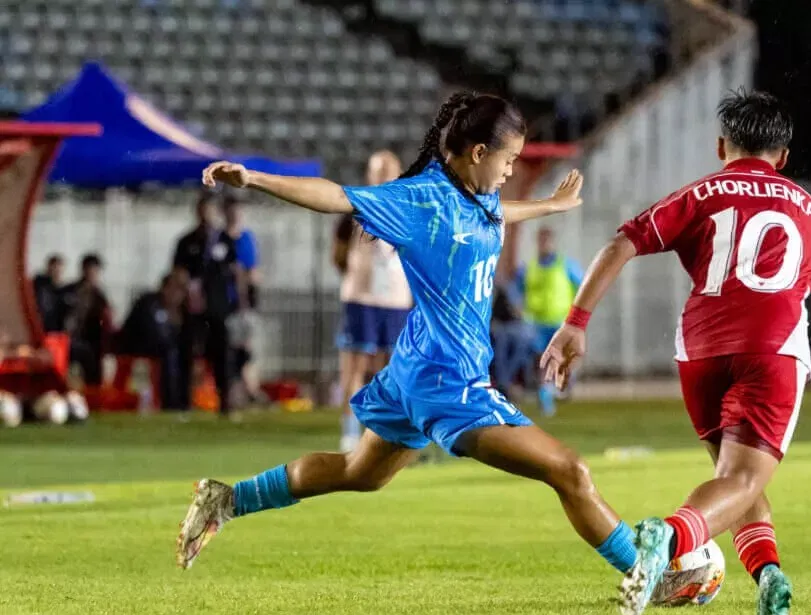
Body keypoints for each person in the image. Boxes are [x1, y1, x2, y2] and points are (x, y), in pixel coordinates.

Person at [177, 92, 640, 583]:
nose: (511, 170)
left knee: (360, 472)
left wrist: (549, 205)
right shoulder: (421, 200)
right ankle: (648, 571)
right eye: (509, 160)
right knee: (570, 471)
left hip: (413, 371)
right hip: (448, 382)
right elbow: (336, 197)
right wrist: (254, 179)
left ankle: (226, 500)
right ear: (478, 153)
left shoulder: (477, 194)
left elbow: (493, 214)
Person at [541, 90, 811, 615]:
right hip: (772, 350)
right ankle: (669, 537)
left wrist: (576, 322)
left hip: (700, 352)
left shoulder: (702, 193)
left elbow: (619, 246)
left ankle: (770, 579)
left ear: (722, 146)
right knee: (744, 479)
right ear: (783, 155)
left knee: (734, 479)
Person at [332, 150, 412, 451]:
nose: (383, 177)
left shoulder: (407, 212)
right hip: (362, 299)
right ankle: (349, 431)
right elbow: (339, 253)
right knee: (354, 365)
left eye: (389, 171)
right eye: (379, 172)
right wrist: (356, 274)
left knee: (393, 368)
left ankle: (384, 430)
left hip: (395, 299)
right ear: (369, 175)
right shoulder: (355, 209)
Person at [172, 193, 244, 417]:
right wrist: (185, 291)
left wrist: (240, 303)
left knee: (222, 355)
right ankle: (184, 404)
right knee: (187, 353)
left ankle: (225, 404)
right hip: (193, 307)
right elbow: (178, 271)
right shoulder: (186, 241)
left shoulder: (225, 240)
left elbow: (236, 272)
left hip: (218, 307)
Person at [515, 226, 583, 415]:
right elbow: (516, 290)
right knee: (542, 360)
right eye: (541, 241)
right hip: (537, 322)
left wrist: (578, 314)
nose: (544, 244)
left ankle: (562, 383)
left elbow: (583, 286)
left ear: (553, 242)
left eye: (547, 241)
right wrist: (519, 308)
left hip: (561, 321)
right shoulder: (529, 267)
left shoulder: (565, 265)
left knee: (565, 357)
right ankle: (546, 394)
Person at [116, 274, 188, 410]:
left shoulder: (174, 310)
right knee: (170, 354)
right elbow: (149, 332)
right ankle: (170, 401)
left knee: (179, 354)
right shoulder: (149, 303)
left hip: (156, 348)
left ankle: (181, 398)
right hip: (135, 346)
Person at [222, 195, 261, 405]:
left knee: (244, 350)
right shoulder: (219, 238)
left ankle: (249, 392)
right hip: (225, 304)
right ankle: (239, 393)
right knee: (231, 351)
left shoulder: (246, 239)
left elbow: (251, 273)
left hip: (242, 305)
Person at [63, 253, 112, 387]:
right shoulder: (69, 292)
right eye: (89, 269)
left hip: (90, 343)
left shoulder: (99, 297)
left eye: (95, 270)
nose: (92, 273)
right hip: (67, 341)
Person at [33, 254, 66, 334]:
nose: (56, 271)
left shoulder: (63, 289)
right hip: (41, 325)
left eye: (59, 269)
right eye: (54, 268)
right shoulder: (40, 284)